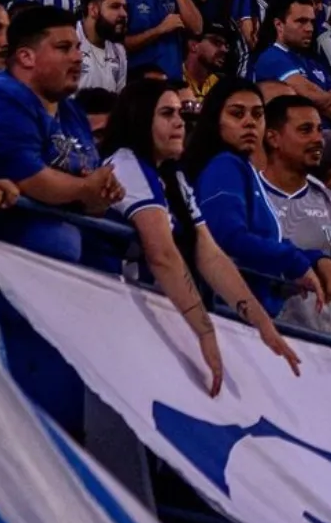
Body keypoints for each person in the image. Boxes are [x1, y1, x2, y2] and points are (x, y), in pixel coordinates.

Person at [99, 79, 300, 390]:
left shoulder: (173, 175)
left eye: (180, 113)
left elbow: (211, 254)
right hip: (116, 319)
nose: (180, 122)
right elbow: (162, 255)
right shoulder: (126, 164)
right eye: (167, 114)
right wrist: (205, 332)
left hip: (157, 316)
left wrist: (263, 325)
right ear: (140, 118)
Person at [187, 82, 331, 317]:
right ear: (215, 119)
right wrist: (296, 261)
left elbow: (270, 239)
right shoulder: (224, 165)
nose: (250, 122)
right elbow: (228, 236)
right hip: (227, 316)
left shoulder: (243, 170)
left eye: (257, 114)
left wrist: (318, 259)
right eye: (237, 114)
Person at [0, 6, 117, 263]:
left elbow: (93, 198)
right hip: (6, 264)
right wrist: (86, 187)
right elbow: (29, 179)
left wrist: (101, 192)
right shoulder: (0, 94)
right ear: (26, 57)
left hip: (65, 272)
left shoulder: (72, 111)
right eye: (64, 48)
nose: (78, 57)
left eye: (77, 47)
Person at [254, 95, 331, 330]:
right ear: (273, 138)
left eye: (319, 129)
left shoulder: (326, 199)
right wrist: (318, 260)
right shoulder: (251, 192)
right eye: (305, 130)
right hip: (257, 337)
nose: (318, 139)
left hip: (315, 346)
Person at [251, 0, 331, 125]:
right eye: (301, 21)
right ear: (279, 25)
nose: (309, 28)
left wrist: (316, 99)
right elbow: (311, 95)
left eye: (311, 22)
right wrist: (329, 98)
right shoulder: (271, 57)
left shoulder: (314, 62)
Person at [76, 0, 128, 94]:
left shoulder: (119, 51)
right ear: (93, 10)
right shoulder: (69, 43)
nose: (124, 13)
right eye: (115, 7)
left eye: (124, 7)